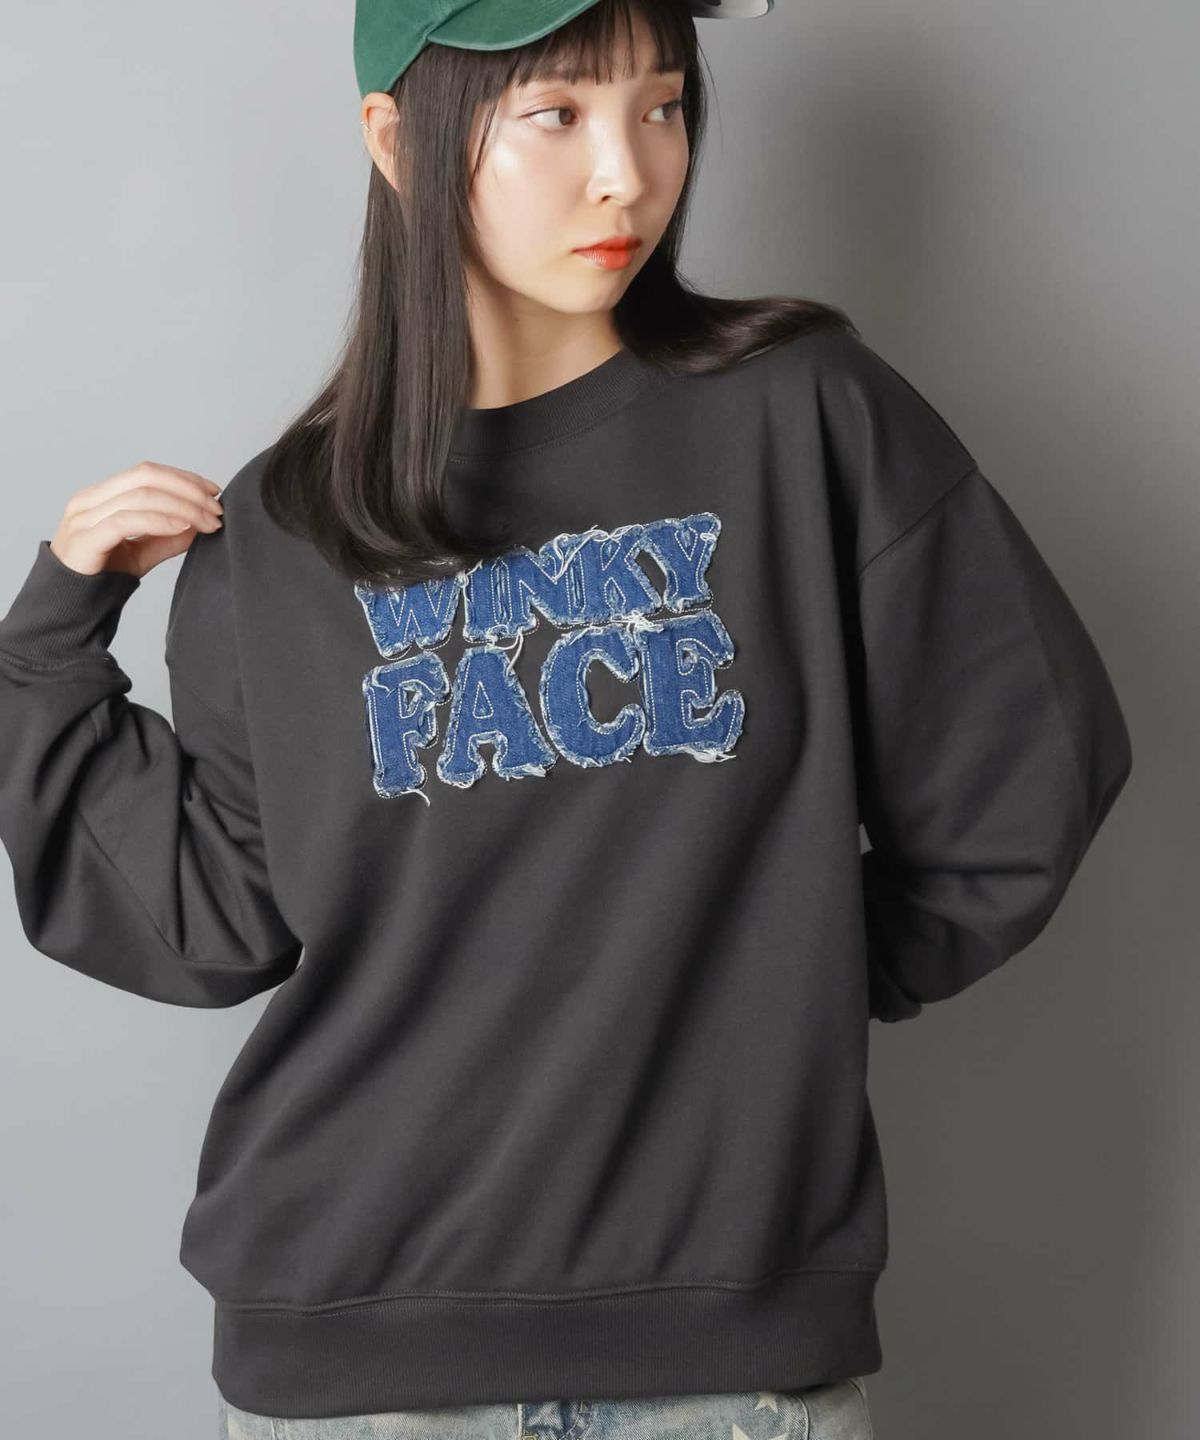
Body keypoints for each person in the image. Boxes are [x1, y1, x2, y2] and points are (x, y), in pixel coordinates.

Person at [0, 0, 1133, 1436]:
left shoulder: (805, 417)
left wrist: (783, 972)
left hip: (727, 1368)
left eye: (661, 106)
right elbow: (211, 922)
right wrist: (48, 648)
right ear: (395, 140)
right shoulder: (285, 529)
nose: (628, 173)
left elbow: (1024, 770)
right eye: (557, 114)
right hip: (353, 1364)